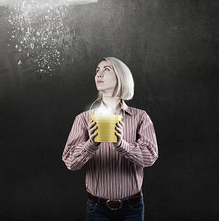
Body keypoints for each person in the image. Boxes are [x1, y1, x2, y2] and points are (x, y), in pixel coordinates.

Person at [62, 57, 158, 221]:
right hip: (97, 209)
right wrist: (91, 144)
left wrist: (122, 145)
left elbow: (150, 157)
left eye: (106, 69)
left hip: (132, 208)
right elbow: (70, 161)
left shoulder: (140, 117)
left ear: (121, 76)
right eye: (97, 70)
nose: (99, 74)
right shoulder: (84, 119)